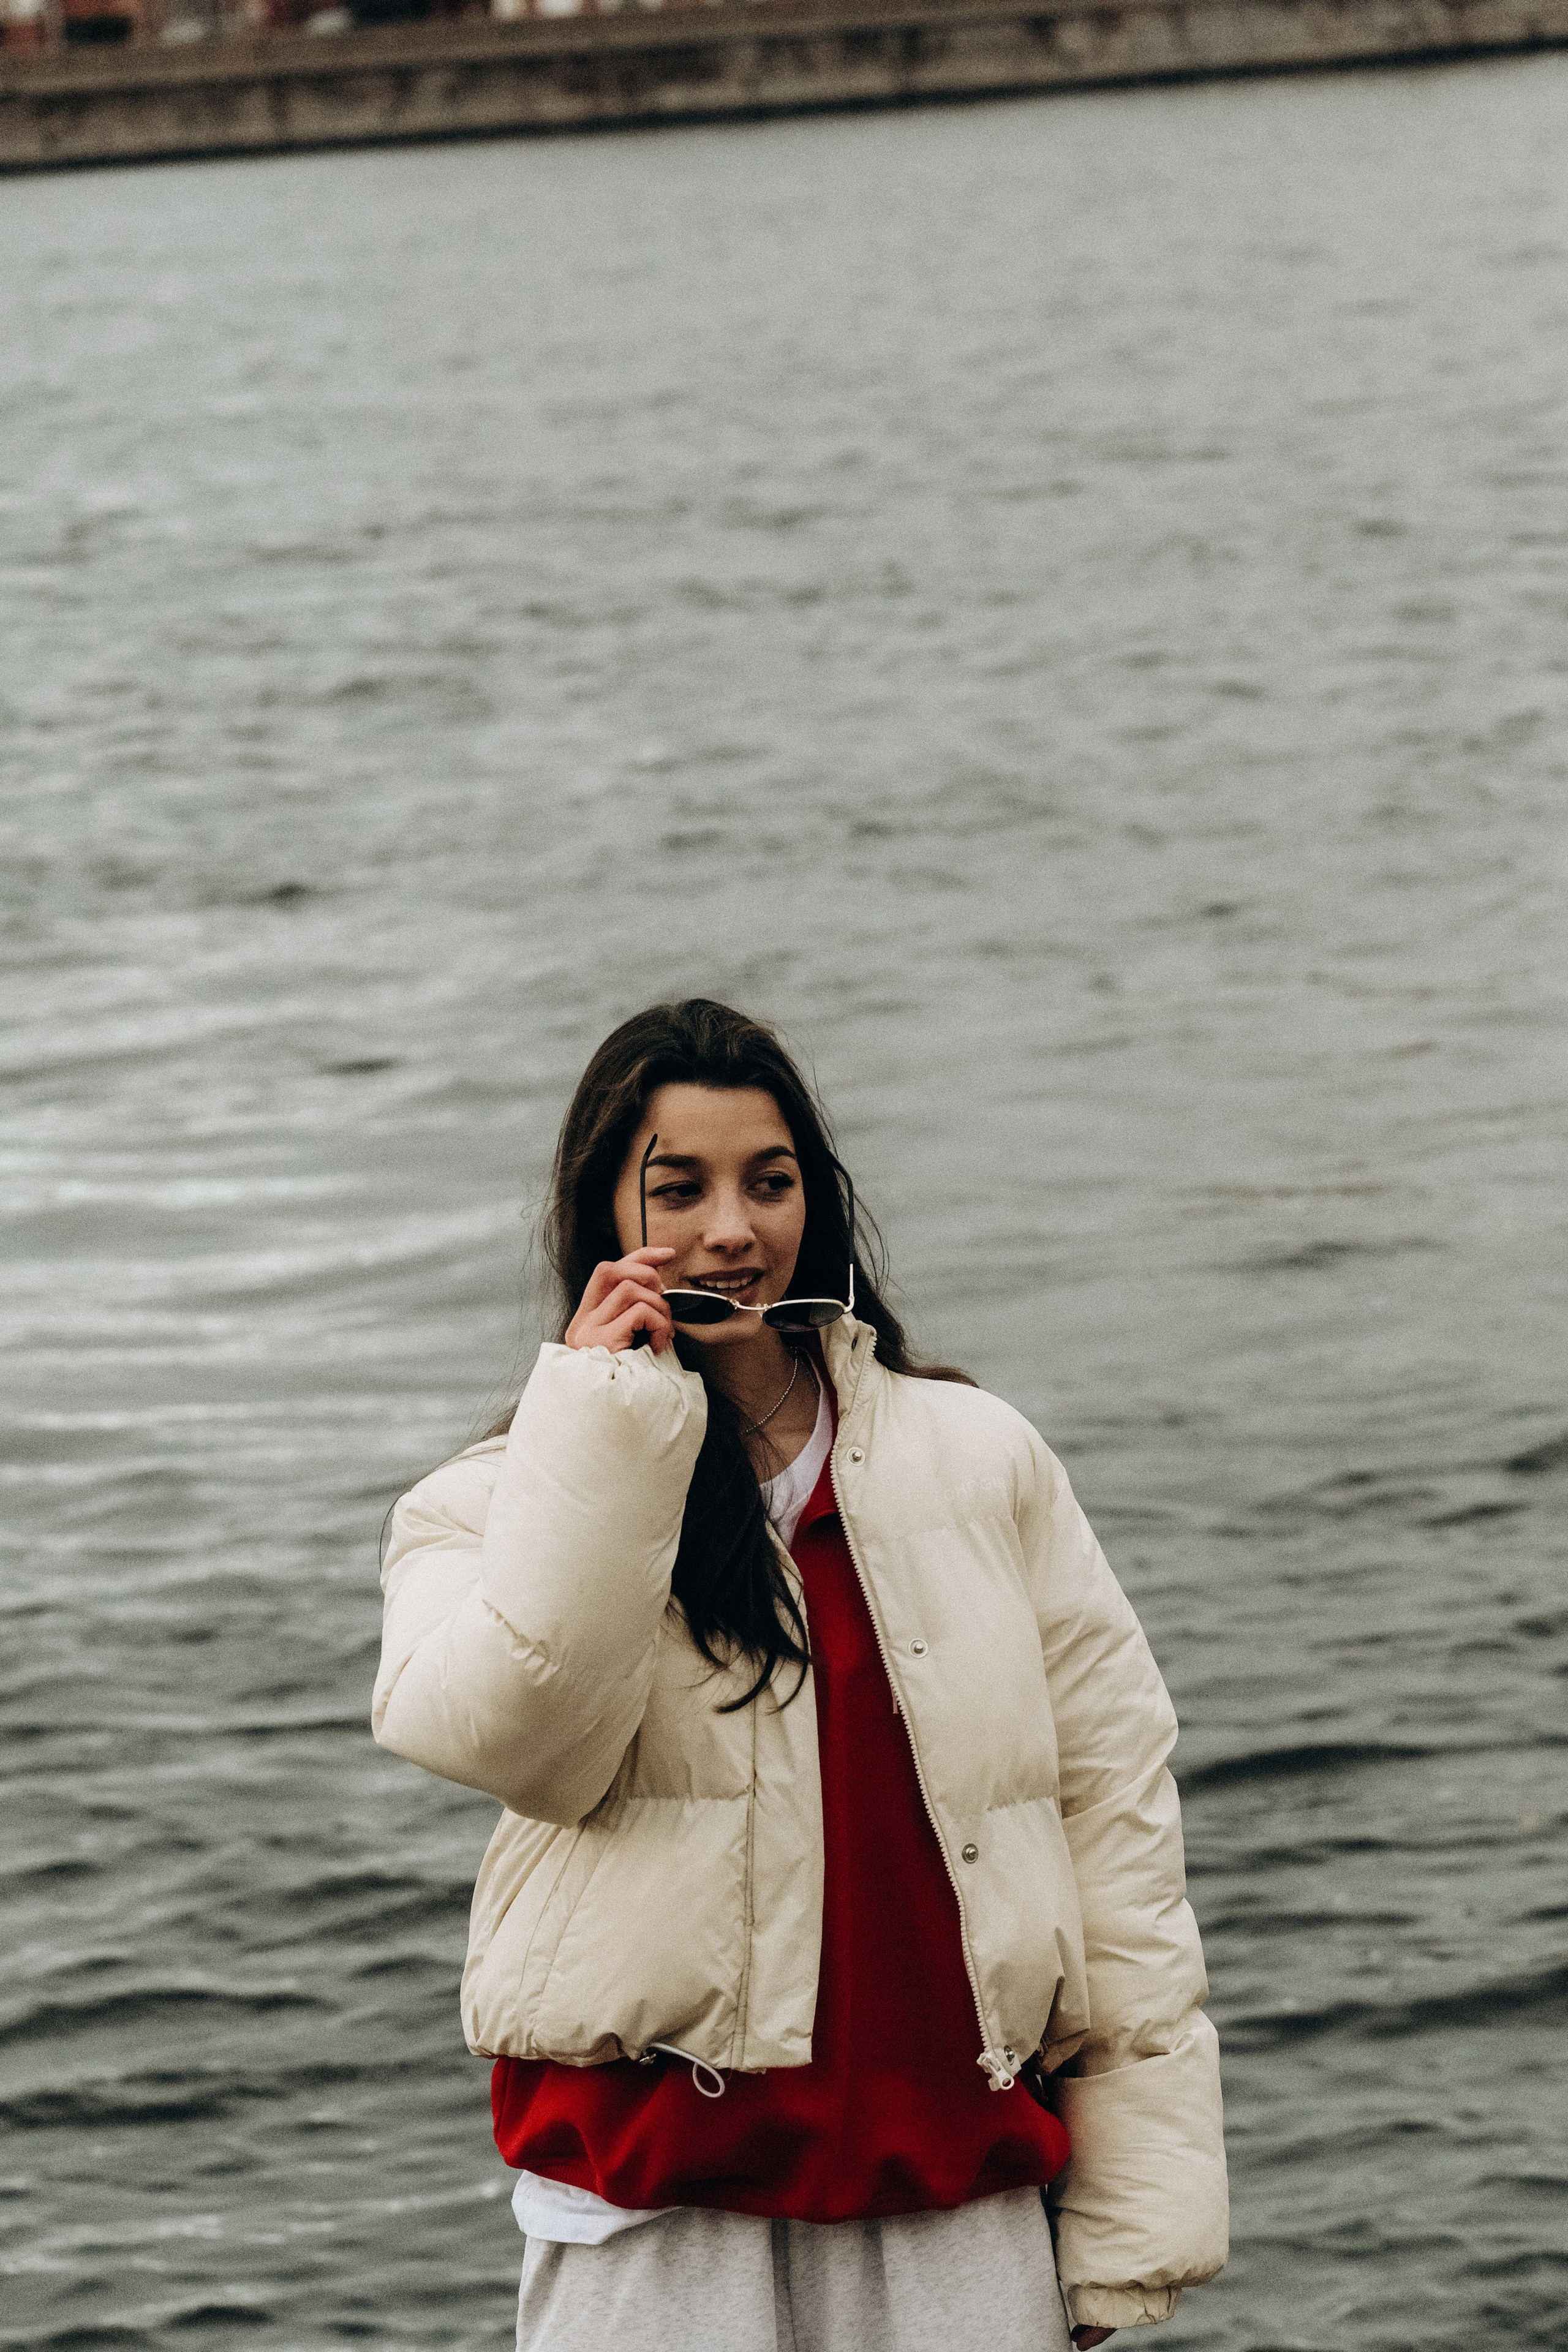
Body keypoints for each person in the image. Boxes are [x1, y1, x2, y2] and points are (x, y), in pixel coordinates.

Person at [372, 999, 1227, 2352]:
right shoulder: (487, 1500)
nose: (731, 1230)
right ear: (600, 1213)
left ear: (814, 1206)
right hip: (651, 2195)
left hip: (950, 2177)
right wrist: (599, 1431)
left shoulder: (980, 1457)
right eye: (679, 1187)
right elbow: (516, 1740)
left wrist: (1130, 2217)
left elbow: (1110, 1824)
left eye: (769, 1184)